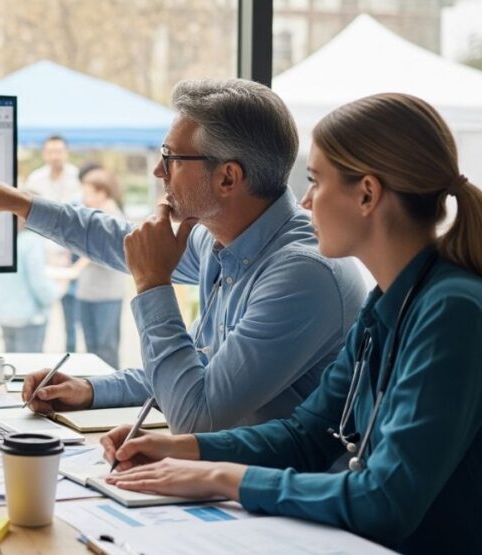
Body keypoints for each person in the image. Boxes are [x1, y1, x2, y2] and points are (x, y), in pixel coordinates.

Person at [96, 93, 482, 554]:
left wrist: (222, 477)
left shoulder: (452, 311)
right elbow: (307, 436)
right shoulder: (386, 301)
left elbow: (385, 499)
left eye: (315, 181)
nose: (305, 200)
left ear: (367, 194)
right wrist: (186, 449)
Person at [0, 78, 367, 433]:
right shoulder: (221, 240)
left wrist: (153, 283)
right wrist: (92, 390)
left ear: (228, 178)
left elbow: (196, 414)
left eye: (171, 158)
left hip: (275, 498)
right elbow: (121, 244)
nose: (158, 171)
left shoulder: (302, 274)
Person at [25, 135, 81, 353]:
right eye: (50, 151)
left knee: (71, 316)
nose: (55, 156)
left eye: (59, 151)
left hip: (70, 253)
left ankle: (71, 355)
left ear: (66, 153)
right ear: (44, 154)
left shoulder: (77, 177)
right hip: (43, 254)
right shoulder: (35, 180)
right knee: (41, 312)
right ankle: (40, 356)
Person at [72, 167, 126, 367]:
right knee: (91, 350)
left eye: (88, 193)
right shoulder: (90, 215)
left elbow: (108, 252)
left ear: (102, 193)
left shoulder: (115, 218)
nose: (84, 198)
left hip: (107, 295)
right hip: (87, 292)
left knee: (106, 349)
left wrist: (78, 265)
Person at [0, 216, 60, 352]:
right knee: (29, 363)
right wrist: (56, 291)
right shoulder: (32, 241)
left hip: (4, 315)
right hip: (28, 318)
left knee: (13, 362)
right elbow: (39, 284)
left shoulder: (3, 240)